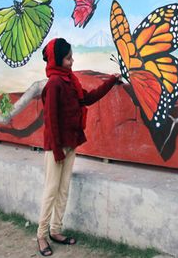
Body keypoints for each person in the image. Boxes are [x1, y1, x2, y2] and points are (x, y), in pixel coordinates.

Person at [36, 38, 121, 257]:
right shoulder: (54, 84)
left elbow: (88, 98)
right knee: (51, 191)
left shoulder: (70, 80)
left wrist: (111, 81)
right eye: (67, 58)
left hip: (70, 143)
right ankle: (41, 235)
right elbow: (51, 120)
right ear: (57, 59)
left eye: (71, 56)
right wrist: (56, 150)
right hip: (56, 147)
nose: (72, 61)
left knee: (63, 189)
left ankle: (56, 230)